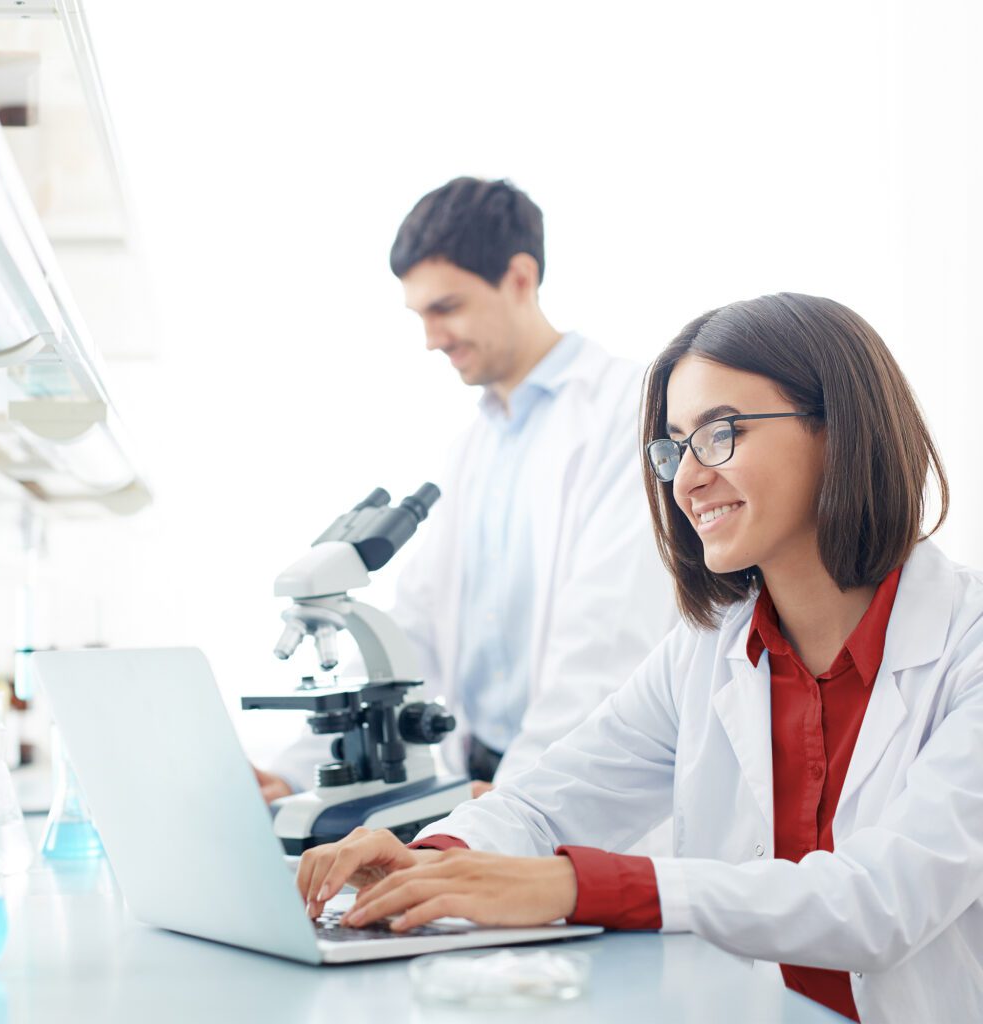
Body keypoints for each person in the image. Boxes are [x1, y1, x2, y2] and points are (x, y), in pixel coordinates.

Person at [295, 293, 983, 1024]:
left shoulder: (965, 645)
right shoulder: (707, 650)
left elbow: (882, 903)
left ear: (840, 429)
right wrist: (432, 861)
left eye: (721, 434)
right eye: (673, 447)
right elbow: (544, 802)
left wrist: (574, 887)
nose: (687, 479)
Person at [255, 177, 676, 801]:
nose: (430, 337)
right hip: (480, 778)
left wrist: (511, 810)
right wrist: (294, 771)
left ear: (520, 279)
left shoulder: (629, 411)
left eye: (446, 308)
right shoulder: (472, 449)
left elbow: (604, 645)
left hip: (567, 784)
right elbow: (414, 631)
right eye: (419, 314)